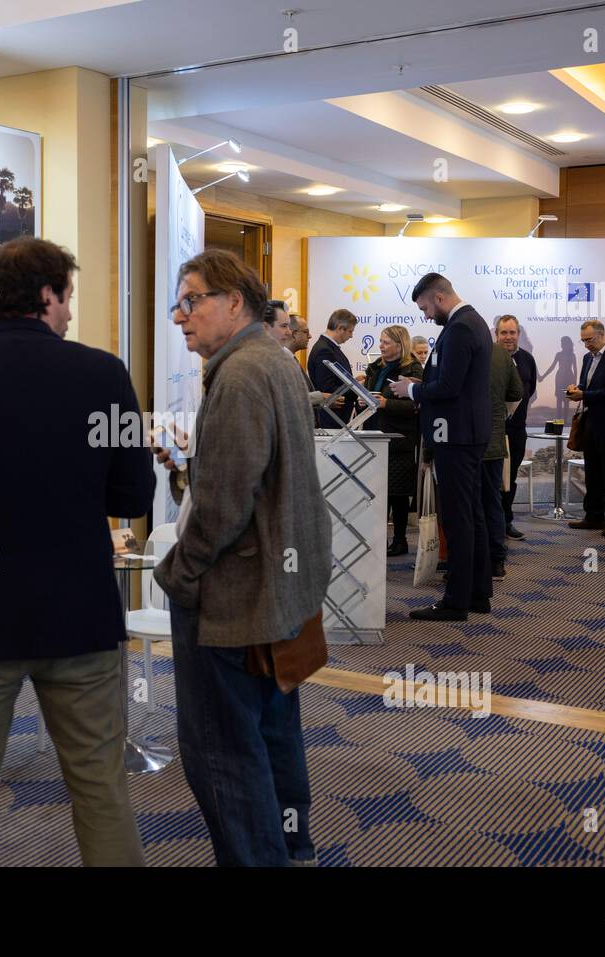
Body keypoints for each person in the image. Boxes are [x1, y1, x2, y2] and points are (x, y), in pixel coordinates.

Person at [0, 237, 154, 867]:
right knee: (100, 787)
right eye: (68, 297)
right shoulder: (103, 374)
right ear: (47, 295)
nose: (69, 312)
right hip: (80, 612)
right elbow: (133, 490)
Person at [152, 249, 331, 867]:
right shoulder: (274, 360)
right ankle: (291, 849)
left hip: (233, 598)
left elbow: (225, 505)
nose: (180, 316)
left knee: (223, 753)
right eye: (179, 303)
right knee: (271, 730)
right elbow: (250, 479)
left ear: (235, 302)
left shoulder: (239, 373)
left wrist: (178, 572)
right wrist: (190, 474)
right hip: (275, 593)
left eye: (191, 299)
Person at [389, 273, 493, 620]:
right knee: (472, 513)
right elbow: (454, 383)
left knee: (459, 517)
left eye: (425, 308)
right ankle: (477, 593)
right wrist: (421, 384)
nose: (425, 316)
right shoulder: (469, 322)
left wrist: (413, 392)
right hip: (465, 433)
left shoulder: (462, 327)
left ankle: (457, 601)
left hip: (457, 435)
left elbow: (449, 387)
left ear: (439, 296)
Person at [361, 325, 423, 556]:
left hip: (399, 439)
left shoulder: (413, 369)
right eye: (380, 341)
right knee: (377, 492)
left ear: (400, 344)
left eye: (386, 342)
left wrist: (386, 404)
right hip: (374, 434)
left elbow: (416, 406)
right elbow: (371, 395)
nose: (381, 346)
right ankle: (378, 538)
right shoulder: (375, 367)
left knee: (397, 494)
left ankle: (399, 540)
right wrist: (364, 401)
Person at [566, 320, 605, 533]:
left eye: (589, 340)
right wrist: (577, 389)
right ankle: (593, 516)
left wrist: (586, 394)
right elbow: (587, 385)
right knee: (592, 472)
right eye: (583, 341)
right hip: (590, 422)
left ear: (601, 335)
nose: (586, 345)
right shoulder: (587, 357)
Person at [484, 340, 523, 578]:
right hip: (494, 441)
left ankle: (468, 562)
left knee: (467, 506)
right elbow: (517, 392)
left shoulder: (454, 347)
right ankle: (497, 561)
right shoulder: (502, 355)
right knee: (492, 503)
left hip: (463, 444)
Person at [496, 316, 536, 540]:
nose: (508, 337)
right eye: (504, 333)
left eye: (512, 333)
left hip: (517, 430)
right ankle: (492, 522)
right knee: (492, 479)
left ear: (518, 334)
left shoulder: (528, 360)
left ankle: (506, 521)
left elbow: (529, 391)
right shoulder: (487, 359)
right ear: (496, 334)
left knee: (510, 478)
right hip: (492, 431)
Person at [308, 308, 358, 427]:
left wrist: (353, 382)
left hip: (335, 417)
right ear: (340, 328)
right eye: (350, 331)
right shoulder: (325, 350)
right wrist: (356, 388)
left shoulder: (328, 347)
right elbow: (328, 389)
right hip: (331, 418)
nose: (351, 336)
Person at [538, 335, 579, 422]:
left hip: (569, 379)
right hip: (560, 379)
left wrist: (575, 383)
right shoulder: (559, 354)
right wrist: (543, 376)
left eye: (564, 343)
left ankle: (564, 421)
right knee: (559, 400)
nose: (562, 345)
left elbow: (575, 370)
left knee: (567, 400)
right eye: (562, 343)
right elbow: (552, 367)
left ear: (568, 344)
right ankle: (558, 421)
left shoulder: (572, 355)